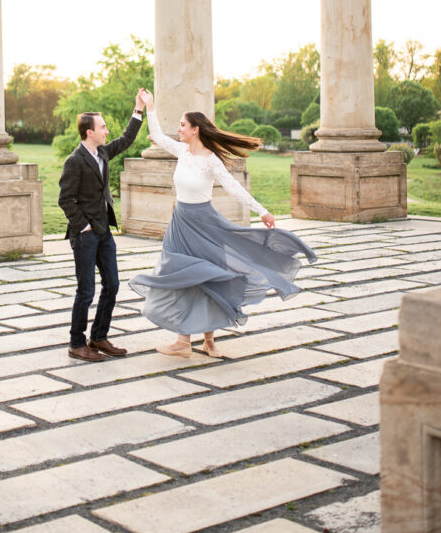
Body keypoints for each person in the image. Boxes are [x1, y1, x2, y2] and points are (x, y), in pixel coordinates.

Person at [130, 89, 317, 358]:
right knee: (183, 278)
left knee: (211, 278)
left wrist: (262, 211)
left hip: (205, 225)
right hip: (180, 225)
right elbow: (157, 136)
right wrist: (149, 106)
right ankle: (183, 341)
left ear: (195, 129)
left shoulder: (211, 161)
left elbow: (234, 189)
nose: (179, 129)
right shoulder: (181, 151)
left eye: (183, 125)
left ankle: (208, 340)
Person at [58, 93, 145, 361]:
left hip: (104, 231)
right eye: (103, 127)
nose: (107, 130)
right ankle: (76, 343)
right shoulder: (75, 161)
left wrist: (138, 109)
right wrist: (82, 226)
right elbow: (65, 199)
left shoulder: (103, 152)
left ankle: (98, 336)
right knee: (86, 291)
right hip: (85, 235)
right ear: (89, 132)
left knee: (113, 284)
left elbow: (127, 139)